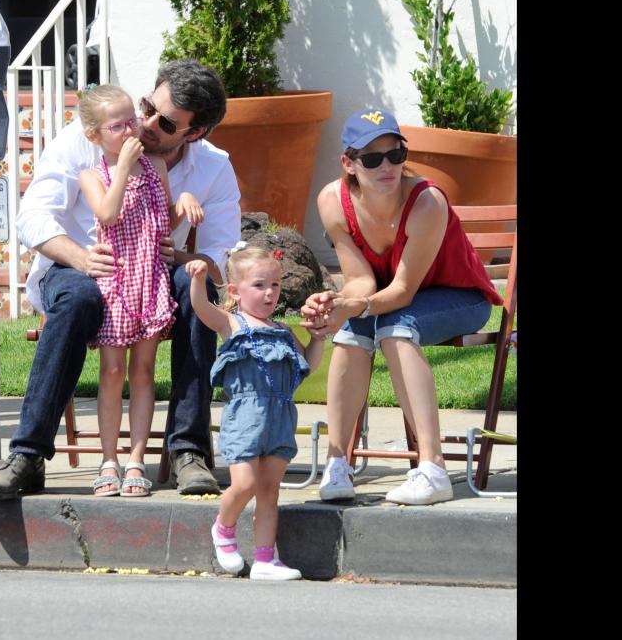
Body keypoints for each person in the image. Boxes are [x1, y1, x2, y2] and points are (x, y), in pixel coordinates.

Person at [0, 60, 241, 500]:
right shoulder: (88, 139)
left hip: (151, 273)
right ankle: (28, 456)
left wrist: (186, 256)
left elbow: (222, 255)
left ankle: (188, 451)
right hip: (75, 268)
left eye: (167, 122)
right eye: (147, 108)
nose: (148, 124)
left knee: (199, 293)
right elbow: (32, 218)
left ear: (194, 133)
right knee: (79, 298)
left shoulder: (213, 167)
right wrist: (81, 258)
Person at [300, 107, 503, 506]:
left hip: (460, 298)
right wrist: (337, 303)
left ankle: (433, 468)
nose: (387, 167)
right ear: (349, 164)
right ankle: (337, 463)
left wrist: (354, 305)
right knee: (352, 332)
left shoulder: (426, 202)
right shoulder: (333, 202)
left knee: (395, 325)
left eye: (396, 155)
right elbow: (361, 281)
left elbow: (404, 291)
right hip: (394, 300)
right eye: (373, 159)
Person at [74, 84, 204, 497]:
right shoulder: (93, 175)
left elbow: (160, 221)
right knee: (112, 372)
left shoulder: (156, 167)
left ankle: (136, 460)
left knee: (143, 372)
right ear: (95, 136)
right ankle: (108, 458)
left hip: (148, 278)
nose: (131, 129)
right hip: (115, 282)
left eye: (132, 118)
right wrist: (124, 168)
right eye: (118, 125)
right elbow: (108, 214)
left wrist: (180, 201)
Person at [186, 243, 325, 580]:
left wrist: (319, 337)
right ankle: (224, 527)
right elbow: (201, 307)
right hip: (245, 415)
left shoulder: (284, 332)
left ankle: (265, 559)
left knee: (269, 491)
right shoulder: (231, 323)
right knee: (245, 484)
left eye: (274, 286)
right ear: (235, 290)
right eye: (259, 285)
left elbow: (309, 364)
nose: (269, 294)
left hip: (279, 416)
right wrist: (197, 279)